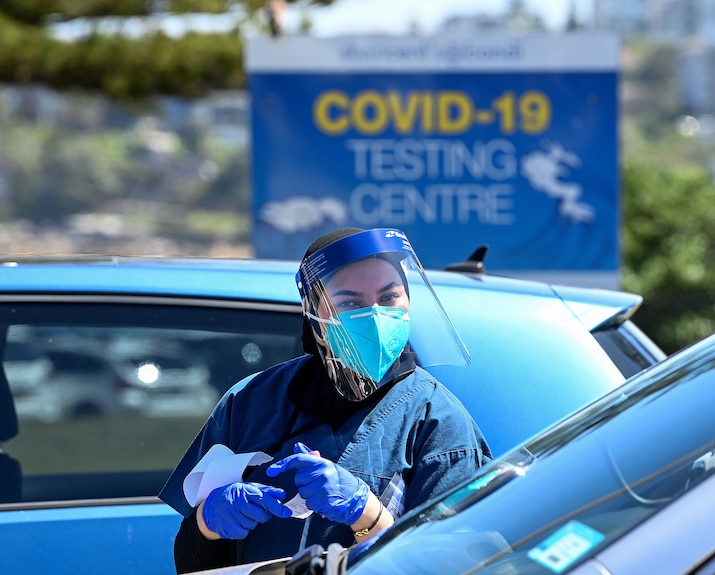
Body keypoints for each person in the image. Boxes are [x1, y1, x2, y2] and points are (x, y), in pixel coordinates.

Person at [159, 227, 492, 573]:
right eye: (349, 303)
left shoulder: (437, 420)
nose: (375, 317)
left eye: (389, 297)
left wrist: (368, 515)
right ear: (315, 319)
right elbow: (191, 561)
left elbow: (453, 562)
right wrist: (207, 524)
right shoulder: (249, 401)